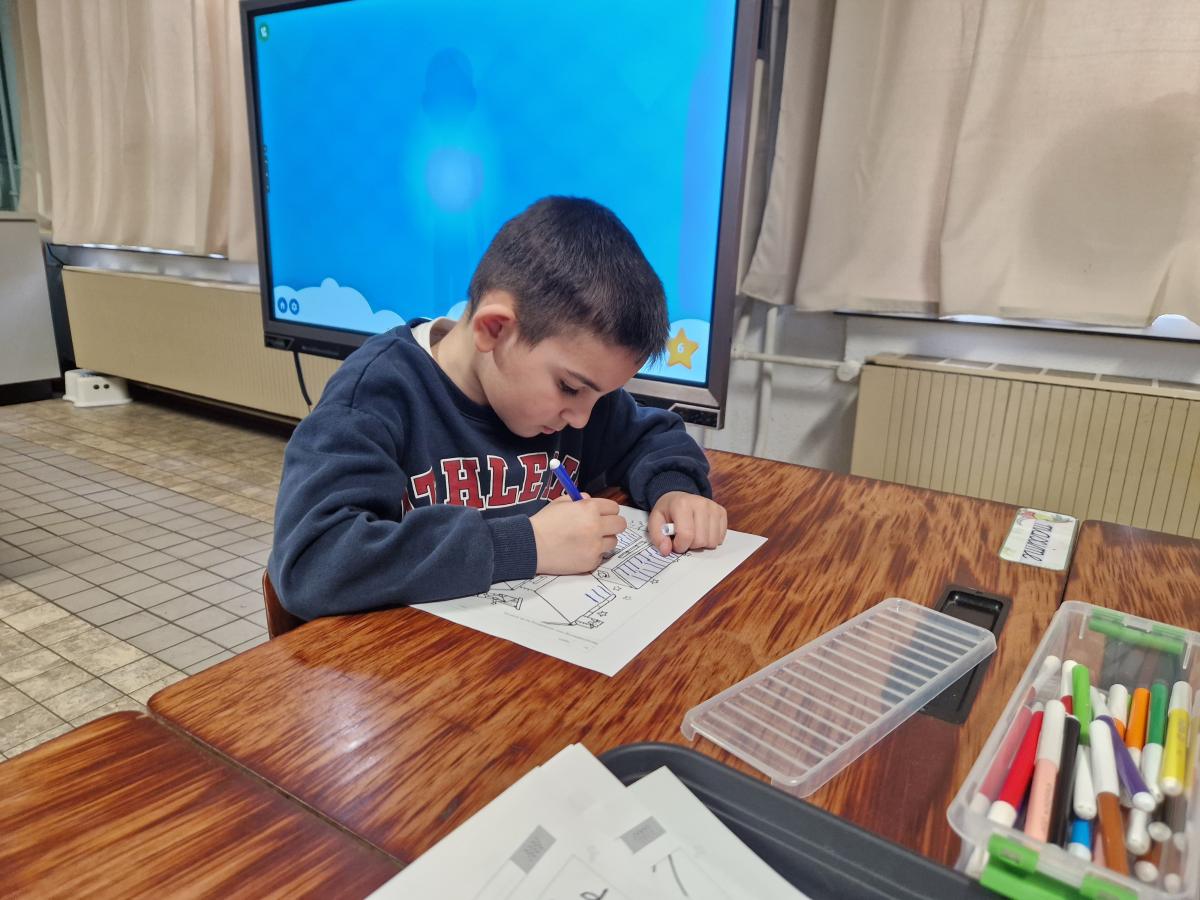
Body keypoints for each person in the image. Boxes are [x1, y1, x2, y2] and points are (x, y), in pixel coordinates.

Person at [269, 196, 727, 619]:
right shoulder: (376, 395)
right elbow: (312, 563)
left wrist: (676, 490)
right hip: (400, 667)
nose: (584, 418)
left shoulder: (579, 400)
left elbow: (652, 435)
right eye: (570, 388)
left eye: (601, 396)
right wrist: (526, 544)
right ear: (494, 329)